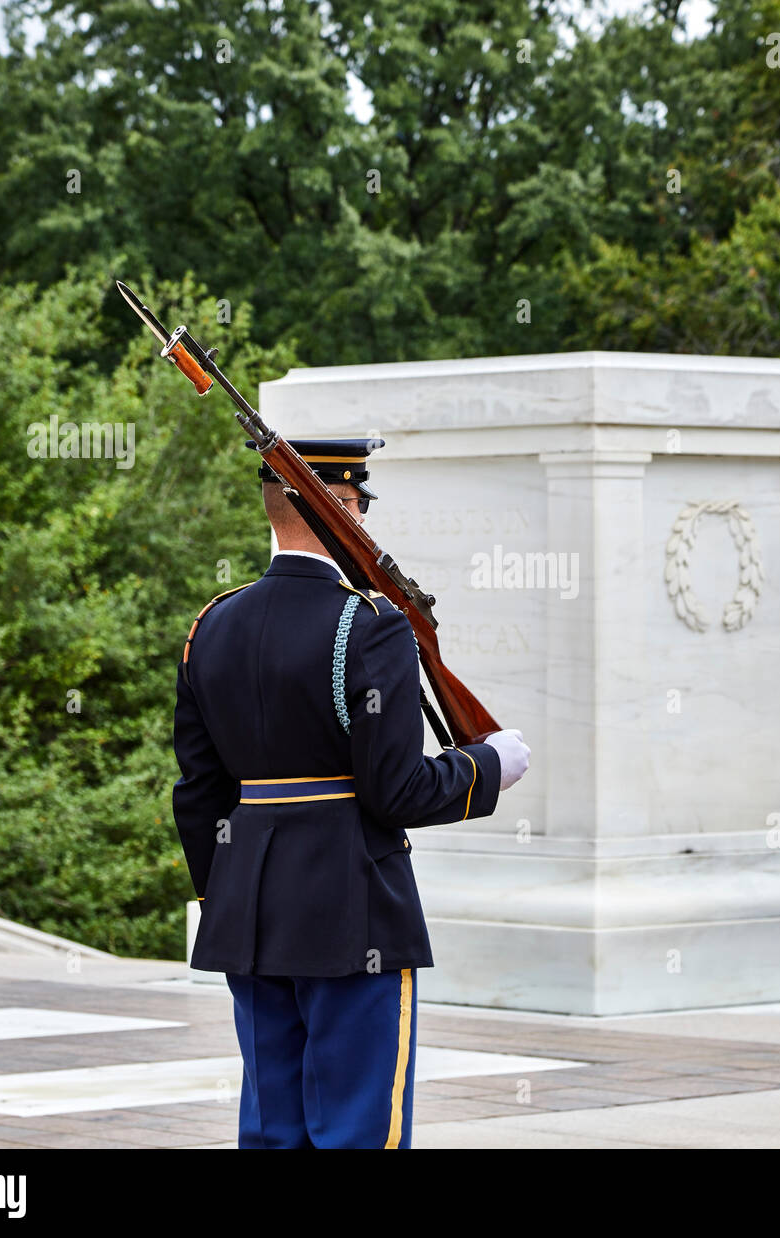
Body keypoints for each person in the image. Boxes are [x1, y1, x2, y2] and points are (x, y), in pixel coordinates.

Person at [171, 437, 530, 1148]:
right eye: (358, 505)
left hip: (246, 917)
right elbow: (395, 791)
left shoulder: (211, 625)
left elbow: (198, 793)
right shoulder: (368, 626)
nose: (366, 522)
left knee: (274, 1130)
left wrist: (227, 900)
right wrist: (488, 767)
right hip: (351, 910)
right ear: (340, 508)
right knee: (358, 1129)